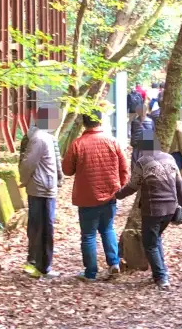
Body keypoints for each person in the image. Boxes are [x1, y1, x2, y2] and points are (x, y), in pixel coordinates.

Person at [62, 111, 129, 281]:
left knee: (89, 235)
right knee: (108, 228)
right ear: (101, 121)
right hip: (110, 194)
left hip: (87, 196)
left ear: (84, 124)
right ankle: (114, 263)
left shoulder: (78, 144)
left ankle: (91, 273)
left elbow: (67, 170)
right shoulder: (113, 142)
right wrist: (119, 188)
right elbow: (124, 168)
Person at [117, 131, 182, 289]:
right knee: (155, 239)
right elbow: (179, 183)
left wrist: (117, 195)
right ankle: (161, 272)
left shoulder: (143, 162)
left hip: (153, 209)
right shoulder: (169, 158)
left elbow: (132, 186)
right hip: (171, 208)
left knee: (149, 243)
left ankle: (161, 278)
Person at [18, 106, 64, 278]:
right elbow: (27, 163)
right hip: (41, 188)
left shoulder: (42, 137)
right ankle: (39, 265)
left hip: (44, 187)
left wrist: (59, 178)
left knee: (43, 227)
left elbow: (55, 160)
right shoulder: (39, 138)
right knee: (41, 228)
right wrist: (24, 179)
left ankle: (41, 264)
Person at [170, 115, 182, 196]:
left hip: (173, 153)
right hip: (177, 154)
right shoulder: (179, 127)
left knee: (177, 175)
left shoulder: (174, 125)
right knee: (179, 175)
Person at [130, 101, 154, 165]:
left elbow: (132, 133)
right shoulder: (151, 121)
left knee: (136, 163)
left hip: (137, 145)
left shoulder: (134, 121)